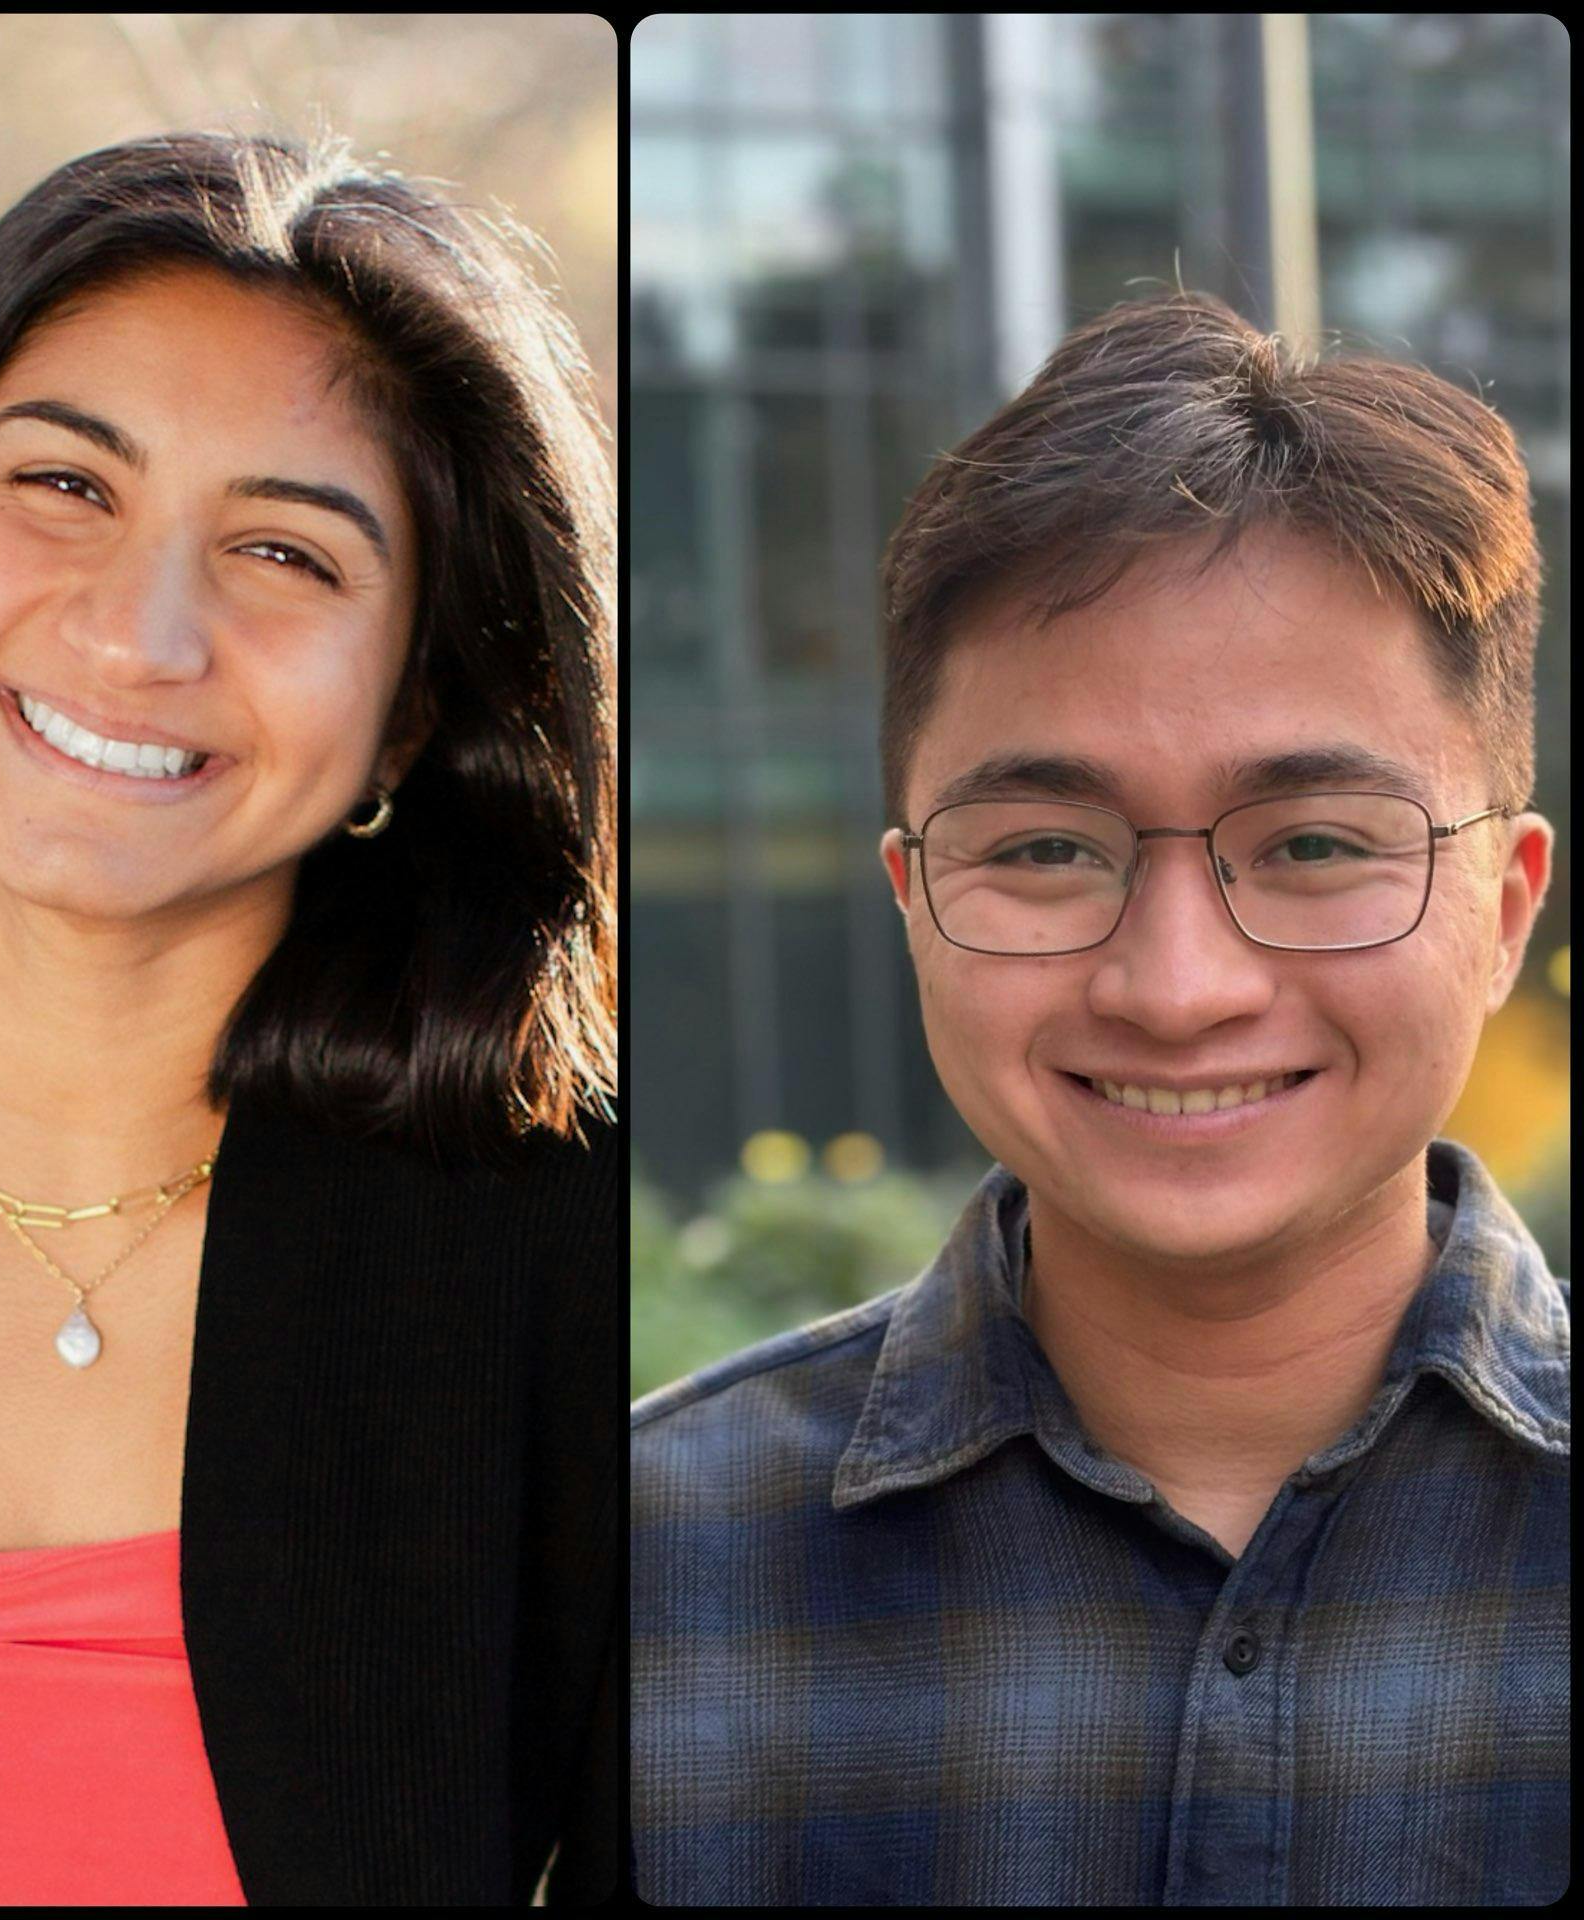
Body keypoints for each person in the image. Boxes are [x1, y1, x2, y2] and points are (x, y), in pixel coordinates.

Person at [0, 125, 617, 1908]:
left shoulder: (572, 1258)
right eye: (64, 483)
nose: (139, 636)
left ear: (414, 715)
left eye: (286, 553)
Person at [630, 291, 1565, 1905]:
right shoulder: (645, 1567)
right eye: (1050, 851)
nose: (1178, 987)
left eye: (1316, 844)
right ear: (916, 904)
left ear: (1503, 911)